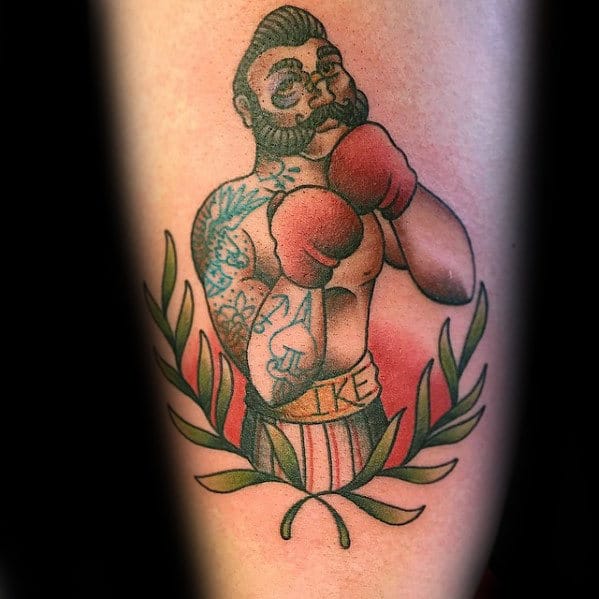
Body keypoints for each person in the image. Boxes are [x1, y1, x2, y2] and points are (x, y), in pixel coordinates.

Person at [191, 5, 474, 492]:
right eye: (288, 84)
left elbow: (458, 282)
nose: (320, 94)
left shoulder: (360, 183)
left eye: (328, 69)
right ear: (248, 108)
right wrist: (302, 271)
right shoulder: (230, 217)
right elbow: (273, 382)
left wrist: (400, 192)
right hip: (282, 441)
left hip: (369, 421)